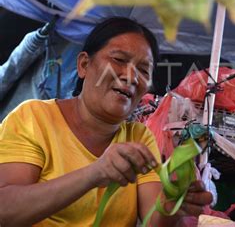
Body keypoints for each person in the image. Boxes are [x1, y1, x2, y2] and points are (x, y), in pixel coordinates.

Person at [0, 17, 212, 226]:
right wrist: (94, 173)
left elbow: (153, 221)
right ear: (84, 64)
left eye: (144, 70)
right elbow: (5, 211)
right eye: (119, 60)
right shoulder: (34, 118)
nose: (131, 76)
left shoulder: (138, 137)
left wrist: (174, 206)